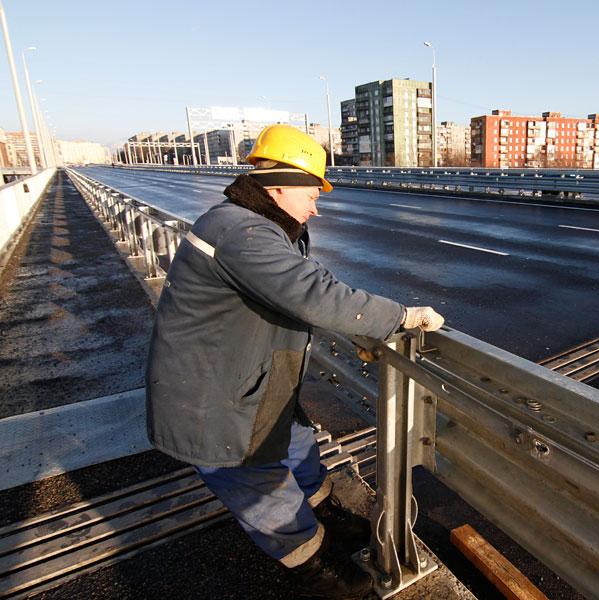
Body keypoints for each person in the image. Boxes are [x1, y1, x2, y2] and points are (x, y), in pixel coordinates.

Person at [145, 124, 444, 599]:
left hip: (247, 375)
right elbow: (310, 293)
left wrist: (364, 328)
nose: (316, 205)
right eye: (311, 192)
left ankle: (325, 517)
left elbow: (296, 289)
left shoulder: (254, 225)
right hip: (212, 396)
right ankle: (315, 566)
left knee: (293, 438)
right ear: (277, 185)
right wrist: (399, 317)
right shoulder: (243, 231)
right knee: (256, 481)